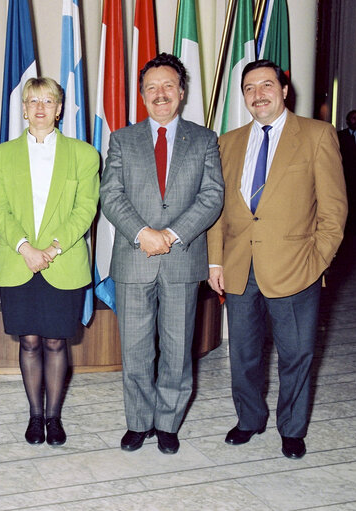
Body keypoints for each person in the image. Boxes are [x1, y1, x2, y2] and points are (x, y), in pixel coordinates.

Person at [207, 59, 347, 459]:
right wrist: (215, 261)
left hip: (296, 266)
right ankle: (250, 419)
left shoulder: (317, 136)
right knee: (244, 354)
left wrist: (317, 259)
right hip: (238, 266)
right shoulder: (228, 142)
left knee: (296, 353)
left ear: (284, 90)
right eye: (250, 88)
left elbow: (334, 210)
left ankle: (292, 428)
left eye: (267, 85)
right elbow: (218, 209)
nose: (258, 94)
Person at [100, 53, 224, 455]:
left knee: (177, 348)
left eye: (168, 85)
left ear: (182, 91)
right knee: (135, 349)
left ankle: (168, 423)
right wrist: (142, 233)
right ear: (141, 94)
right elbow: (111, 194)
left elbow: (212, 196)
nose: (160, 94)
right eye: (151, 87)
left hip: (181, 259)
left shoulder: (204, 139)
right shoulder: (122, 138)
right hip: (134, 259)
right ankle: (138, 422)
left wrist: (170, 235)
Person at [0, 78, 99, 446]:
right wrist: (24, 248)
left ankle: (55, 417)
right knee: (30, 341)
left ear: (59, 108)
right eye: (32, 100)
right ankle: (36, 416)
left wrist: (50, 250)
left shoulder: (84, 155)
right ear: (22, 108)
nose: (39, 108)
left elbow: (85, 210)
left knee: (55, 342)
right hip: (18, 261)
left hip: (62, 262)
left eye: (48, 101)